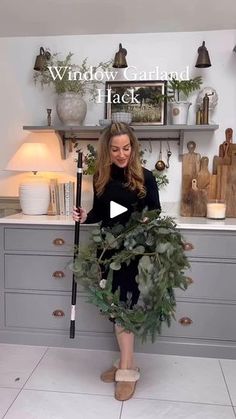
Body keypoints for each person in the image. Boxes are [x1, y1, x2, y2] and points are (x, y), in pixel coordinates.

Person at [73, 122, 161, 401]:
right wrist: (85, 216)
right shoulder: (101, 176)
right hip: (108, 253)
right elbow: (101, 212)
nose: (121, 154)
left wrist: (142, 218)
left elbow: (155, 212)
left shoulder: (145, 177)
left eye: (126, 148)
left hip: (134, 254)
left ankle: (128, 368)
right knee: (115, 308)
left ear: (133, 147)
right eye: (115, 149)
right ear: (107, 150)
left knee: (126, 308)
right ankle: (125, 361)